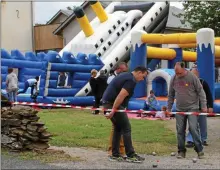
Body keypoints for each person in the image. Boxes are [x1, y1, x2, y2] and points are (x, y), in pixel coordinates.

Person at [102, 66, 148, 162]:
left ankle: (115, 154)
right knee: (126, 128)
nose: (142, 79)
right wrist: (113, 110)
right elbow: (121, 95)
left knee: (118, 128)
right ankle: (131, 155)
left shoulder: (125, 75)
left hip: (106, 102)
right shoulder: (131, 80)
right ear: (139, 72)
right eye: (143, 76)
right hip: (112, 104)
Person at [167, 62, 207, 159]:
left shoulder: (192, 77)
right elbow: (171, 94)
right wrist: (168, 108)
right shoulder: (174, 78)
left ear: (184, 69)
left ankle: (199, 150)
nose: (178, 75)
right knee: (180, 130)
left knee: (193, 128)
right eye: (176, 73)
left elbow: (201, 91)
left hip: (192, 107)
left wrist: (204, 105)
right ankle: (181, 151)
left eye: (180, 73)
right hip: (179, 108)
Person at [186, 67, 213, 147]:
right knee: (192, 124)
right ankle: (190, 140)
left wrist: (210, 106)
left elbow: (209, 95)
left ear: (197, 74)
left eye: (195, 74)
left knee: (203, 124)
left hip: (202, 107)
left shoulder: (203, 82)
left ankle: (203, 139)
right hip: (192, 107)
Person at [106, 62, 128, 157]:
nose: (125, 73)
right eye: (123, 71)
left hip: (120, 105)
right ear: (118, 69)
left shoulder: (121, 78)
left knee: (119, 127)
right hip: (111, 104)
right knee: (116, 127)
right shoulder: (111, 78)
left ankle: (120, 149)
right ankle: (114, 149)